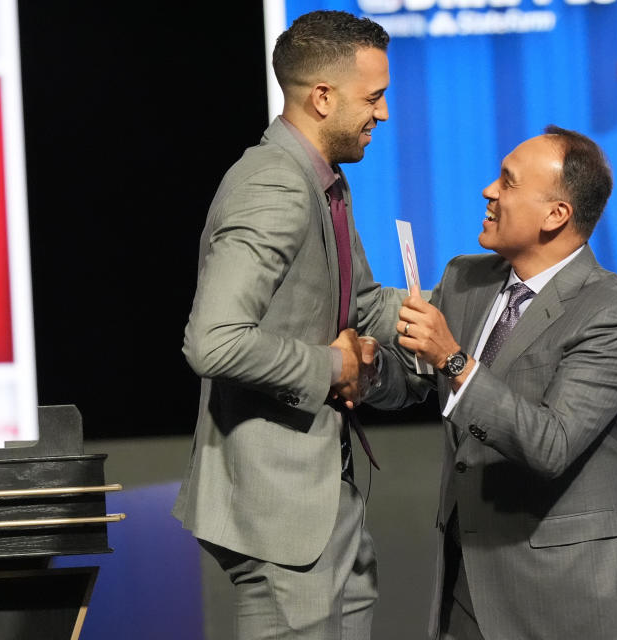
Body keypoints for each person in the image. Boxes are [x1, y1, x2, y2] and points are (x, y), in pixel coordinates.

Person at [371, 126, 617, 639]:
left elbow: (551, 443)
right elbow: (416, 378)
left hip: (570, 599)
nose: (489, 190)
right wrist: (365, 370)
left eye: (507, 182)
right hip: (469, 590)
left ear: (557, 215)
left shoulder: (612, 314)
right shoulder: (466, 279)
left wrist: (455, 360)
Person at [172, 11, 401, 639]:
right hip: (279, 503)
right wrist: (335, 366)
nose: (381, 114)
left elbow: (361, 303)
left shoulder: (326, 182)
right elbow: (213, 341)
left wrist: (460, 308)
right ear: (322, 97)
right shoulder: (274, 183)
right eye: (373, 97)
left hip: (328, 490)